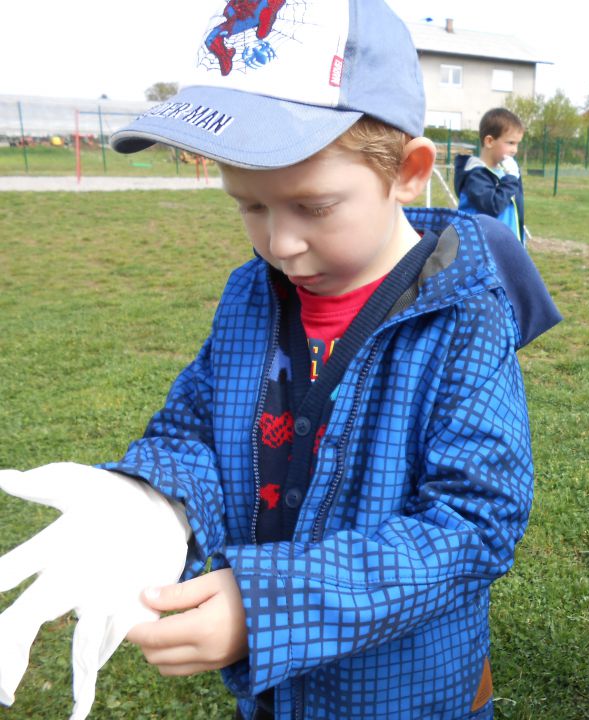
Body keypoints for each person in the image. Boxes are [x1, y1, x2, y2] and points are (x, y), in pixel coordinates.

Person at [0, 2, 560, 719]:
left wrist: (270, 605)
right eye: (250, 205)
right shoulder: (251, 297)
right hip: (276, 697)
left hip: (405, 699)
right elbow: (196, 428)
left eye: (313, 206)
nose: (280, 244)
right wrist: (152, 505)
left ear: (410, 172)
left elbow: (475, 521)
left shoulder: (464, 319)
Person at [454, 107, 526, 246]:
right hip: (484, 251)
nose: (515, 150)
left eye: (517, 144)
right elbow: (492, 206)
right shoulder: (475, 174)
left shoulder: (506, 172)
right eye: (510, 143)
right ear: (489, 141)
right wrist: (511, 179)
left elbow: (515, 209)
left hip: (508, 246)